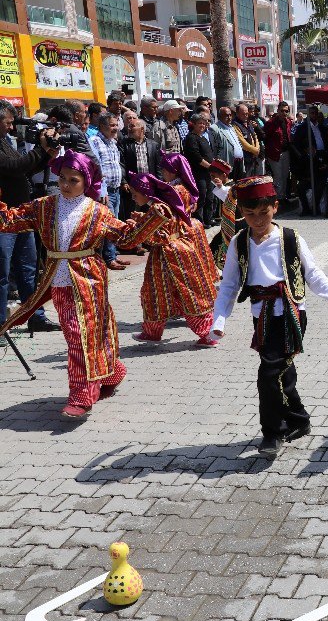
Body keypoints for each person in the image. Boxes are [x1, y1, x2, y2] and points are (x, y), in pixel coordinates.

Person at [0, 150, 169, 417]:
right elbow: (9, 220)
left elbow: (125, 238)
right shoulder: (44, 206)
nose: (66, 185)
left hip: (90, 281)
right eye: (62, 179)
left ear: (86, 181)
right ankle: (111, 373)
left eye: (73, 180)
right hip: (59, 281)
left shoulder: (98, 211)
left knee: (85, 334)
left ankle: (81, 394)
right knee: (76, 334)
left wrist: (152, 218)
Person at [211, 176, 328, 459]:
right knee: (282, 371)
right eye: (250, 214)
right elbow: (228, 284)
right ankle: (299, 419)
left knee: (268, 374)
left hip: (291, 314)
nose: (258, 220)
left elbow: (313, 274)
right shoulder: (239, 243)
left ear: (275, 208)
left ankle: (272, 432)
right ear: (241, 213)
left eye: (263, 212)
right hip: (260, 316)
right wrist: (219, 320)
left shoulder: (290, 238)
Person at [124, 171, 218, 347]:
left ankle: (204, 333)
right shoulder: (163, 205)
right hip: (176, 253)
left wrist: (134, 226)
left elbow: (151, 237)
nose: (133, 198)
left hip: (168, 255)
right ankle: (155, 332)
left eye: (135, 194)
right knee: (176, 292)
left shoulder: (157, 209)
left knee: (164, 293)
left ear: (145, 192)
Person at [0, 106, 59, 331]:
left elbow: (25, 168)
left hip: (21, 215)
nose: (12, 126)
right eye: (7, 122)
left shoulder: (6, 141)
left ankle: (36, 317)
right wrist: (40, 149)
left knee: (28, 269)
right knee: (2, 274)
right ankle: (1, 324)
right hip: (4, 218)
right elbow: (14, 167)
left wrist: (46, 155)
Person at [88, 111, 129, 271]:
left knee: (114, 224)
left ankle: (112, 255)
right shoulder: (95, 141)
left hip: (116, 189)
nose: (115, 128)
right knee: (108, 225)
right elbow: (96, 168)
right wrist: (102, 190)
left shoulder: (112, 142)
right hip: (104, 192)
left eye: (116, 124)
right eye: (112, 125)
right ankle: (109, 258)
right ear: (102, 126)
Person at [183, 113, 216, 224]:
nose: (202, 125)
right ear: (194, 124)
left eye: (204, 123)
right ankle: (199, 221)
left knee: (209, 196)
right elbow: (196, 157)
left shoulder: (203, 138)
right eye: (199, 123)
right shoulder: (191, 138)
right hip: (198, 172)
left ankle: (208, 219)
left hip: (208, 173)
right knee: (201, 196)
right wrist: (210, 167)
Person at [263, 102, 293, 204]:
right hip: (275, 153)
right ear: (278, 110)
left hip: (286, 152)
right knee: (278, 176)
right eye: (282, 110)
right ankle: (277, 199)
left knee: (285, 176)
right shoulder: (270, 123)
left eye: (286, 111)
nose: (284, 113)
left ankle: (282, 196)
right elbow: (265, 137)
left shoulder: (288, 122)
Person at [210, 106, 246, 180]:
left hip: (239, 162)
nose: (229, 117)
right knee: (228, 187)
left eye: (230, 115)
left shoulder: (231, 127)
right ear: (219, 116)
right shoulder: (214, 128)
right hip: (227, 164)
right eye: (226, 115)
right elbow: (213, 149)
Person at [233, 103, 262, 176]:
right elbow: (242, 142)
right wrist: (255, 150)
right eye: (243, 114)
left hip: (254, 157)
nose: (246, 116)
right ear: (237, 114)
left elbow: (255, 136)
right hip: (245, 159)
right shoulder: (235, 124)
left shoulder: (248, 122)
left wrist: (257, 148)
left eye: (247, 113)